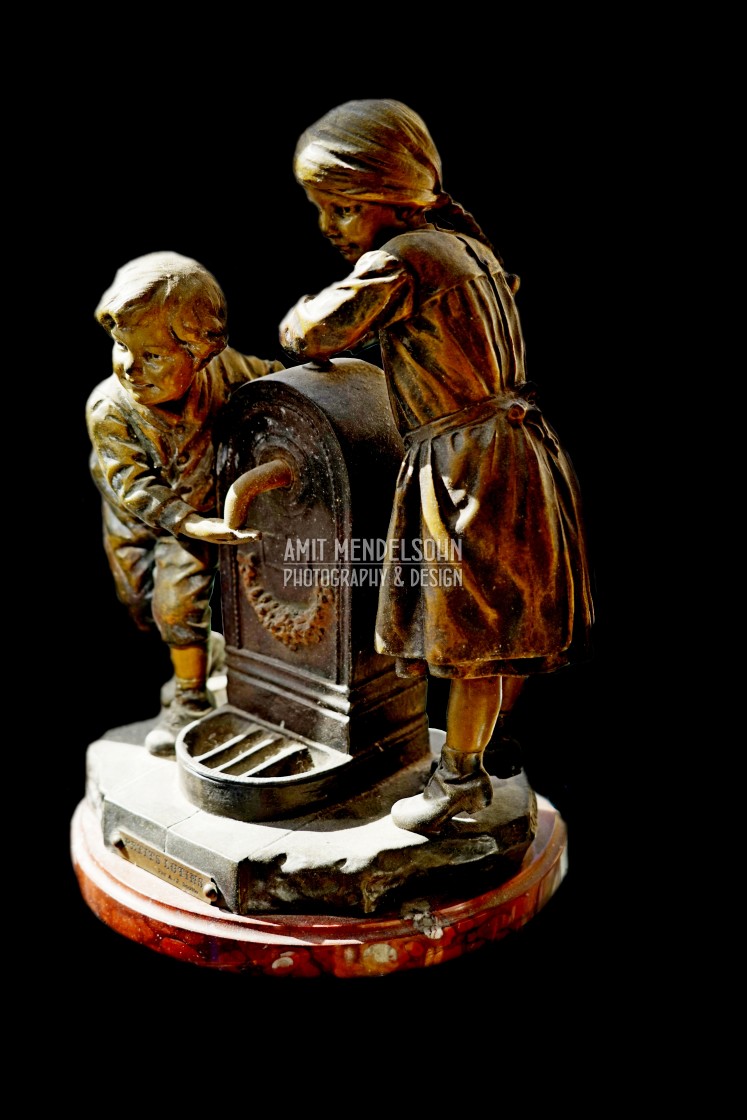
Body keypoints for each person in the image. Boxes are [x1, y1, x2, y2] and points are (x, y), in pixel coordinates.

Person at [279, 99, 594, 833]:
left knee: (468, 638)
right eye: (320, 209)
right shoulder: (466, 245)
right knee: (499, 621)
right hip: (515, 450)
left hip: (468, 464)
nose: (329, 227)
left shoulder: (403, 258)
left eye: (341, 208)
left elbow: (314, 333)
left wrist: (300, 317)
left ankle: (459, 783)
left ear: (391, 198)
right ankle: (482, 749)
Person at [87, 250, 284, 756]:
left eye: (152, 356)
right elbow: (132, 484)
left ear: (201, 354)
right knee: (137, 598)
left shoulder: (228, 373)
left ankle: (190, 699)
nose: (130, 367)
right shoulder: (109, 408)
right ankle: (202, 651)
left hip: (194, 515)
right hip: (138, 514)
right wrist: (189, 523)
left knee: (175, 606)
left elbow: (277, 381)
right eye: (120, 347)